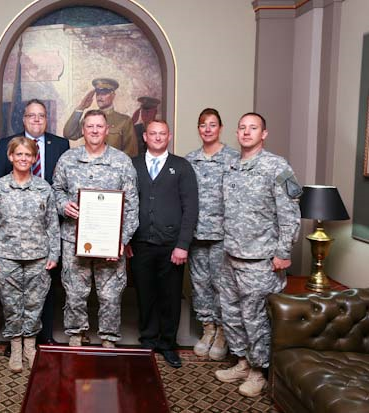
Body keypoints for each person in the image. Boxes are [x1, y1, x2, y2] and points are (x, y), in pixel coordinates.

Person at [214, 112, 301, 397]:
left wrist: (283, 252)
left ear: (264, 134)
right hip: (230, 256)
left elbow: (289, 214)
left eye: (253, 128)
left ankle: (258, 371)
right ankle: (242, 362)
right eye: (242, 127)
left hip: (261, 261)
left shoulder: (277, 166)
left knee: (256, 319)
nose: (246, 132)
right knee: (231, 313)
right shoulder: (231, 166)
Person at [53, 109, 139, 348]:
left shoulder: (121, 162)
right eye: (89, 126)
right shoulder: (68, 159)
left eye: (99, 126)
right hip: (74, 239)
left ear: (107, 129)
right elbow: (56, 190)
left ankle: (108, 338)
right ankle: (76, 334)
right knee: (74, 292)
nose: (94, 130)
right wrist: (63, 205)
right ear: (82, 130)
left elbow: (132, 206)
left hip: (110, 241)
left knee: (110, 294)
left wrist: (121, 240)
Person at [0, 99, 69, 350]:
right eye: (31, 115)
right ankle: (13, 341)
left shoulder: (61, 144)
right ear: (23, 119)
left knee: (43, 288)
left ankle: (42, 336)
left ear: (47, 119)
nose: (36, 119)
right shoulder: (7, 144)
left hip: (44, 229)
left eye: (41, 115)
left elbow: (63, 185)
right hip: (11, 234)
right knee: (10, 293)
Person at [0, 137, 60, 373]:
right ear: (10, 157)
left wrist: (54, 254)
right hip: (6, 257)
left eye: (28, 155)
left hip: (38, 256)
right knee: (11, 305)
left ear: (34, 158)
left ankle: (30, 347)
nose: (23, 159)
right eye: (19, 154)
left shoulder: (44, 188)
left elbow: (52, 225)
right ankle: (16, 349)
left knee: (35, 304)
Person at [129, 120, 198, 368]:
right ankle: (148, 340)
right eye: (153, 133)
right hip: (140, 244)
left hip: (172, 245)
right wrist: (125, 239)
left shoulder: (181, 166)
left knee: (170, 296)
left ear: (169, 137)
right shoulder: (132, 165)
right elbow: (124, 203)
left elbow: (191, 208)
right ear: (145, 137)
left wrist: (183, 245)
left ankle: (168, 344)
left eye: (162, 133)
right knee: (145, 295)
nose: (157, 137)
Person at [185, 108, 239, 361]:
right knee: (200, 284)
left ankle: (222, 333)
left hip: (223, 235)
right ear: (198, 129)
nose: (207, 129)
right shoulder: (190, 160)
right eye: (203, 125)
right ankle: (207, 329)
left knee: (222, 285)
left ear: (220, 128)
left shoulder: (233, 158)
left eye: (212, 124)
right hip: (196, 234)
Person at [63, 78, 138, 157]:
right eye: (98, 93)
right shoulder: (90, 118)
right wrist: (81, 107)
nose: (100, 97)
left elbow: (131, 152)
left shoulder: (124, 121)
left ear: (113, 95)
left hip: (114, 164)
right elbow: (69, 134)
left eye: (104, 93)